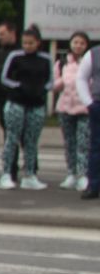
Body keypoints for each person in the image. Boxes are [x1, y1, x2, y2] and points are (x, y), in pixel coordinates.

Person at [0, 25, 53, 190]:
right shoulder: (15, 56)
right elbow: (4, 77)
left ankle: (29, 174)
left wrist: (43, 90)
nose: (27, 46)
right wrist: (19, 86)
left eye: (30, 43)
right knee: (12, 138)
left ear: (38, 43)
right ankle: (6, 173)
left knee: (31, 141)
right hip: (17, 103)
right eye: (24, 43)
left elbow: (51, 80)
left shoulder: (46, 58)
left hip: (36, 104)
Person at [52, 32, 90, 191]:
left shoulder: (90, 61)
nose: (78, 45)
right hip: (65, 108)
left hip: (84, 108)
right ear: (70, 43)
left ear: (86, 45)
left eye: (82, 43)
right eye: (75, 42)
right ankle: (71, 173)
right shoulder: (61, 63)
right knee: (69, 143)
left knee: (83, 144)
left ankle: (83, 175)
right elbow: (54, 86)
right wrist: (63, 81)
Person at [79, 42, 99, 200]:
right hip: (98, 105)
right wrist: (89, 103)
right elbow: (81, 78)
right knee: (96, 148)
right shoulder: (93, 54)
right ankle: (93, 185)